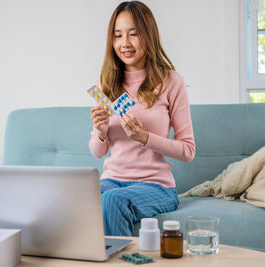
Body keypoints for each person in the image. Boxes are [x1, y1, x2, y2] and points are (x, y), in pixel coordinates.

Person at [89, 0, 195, 236]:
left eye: (133, 34)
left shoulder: (171, 82)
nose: (124, 43)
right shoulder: (106, 84)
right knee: (77, 196)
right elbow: (97, 152)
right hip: (111, 180)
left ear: (148, 36)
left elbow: (188, 151)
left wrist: (144, 137)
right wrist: (101, 131)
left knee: (113, 200)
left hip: (155, 186)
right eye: (117, 35)